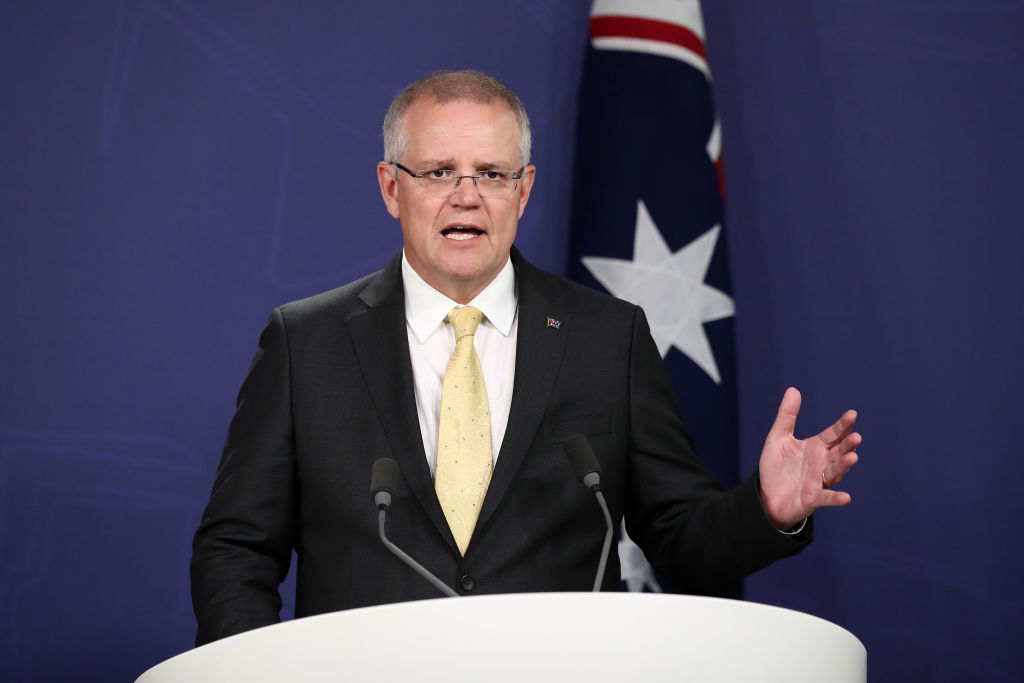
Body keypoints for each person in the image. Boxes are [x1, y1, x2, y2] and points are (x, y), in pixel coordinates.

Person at [190, 70, 860, 646]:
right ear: (392, 188)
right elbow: (236, 549)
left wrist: (767, 509)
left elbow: (681, 536)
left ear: (525, 188)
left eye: (491, 173)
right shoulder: (305, 343)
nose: (467, 195)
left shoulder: (608, 338)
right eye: (439, 172)